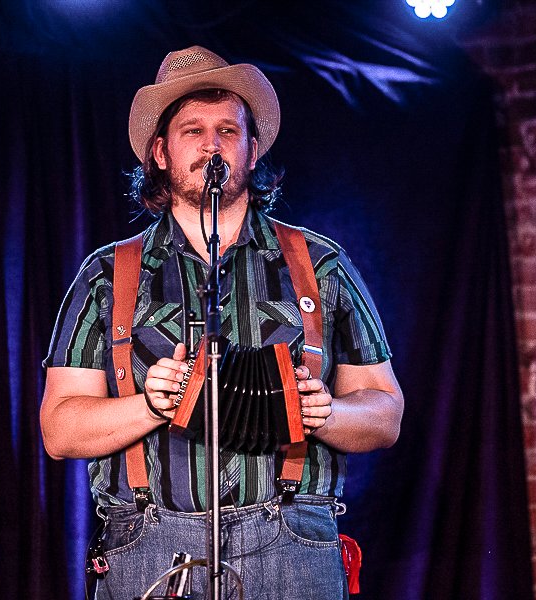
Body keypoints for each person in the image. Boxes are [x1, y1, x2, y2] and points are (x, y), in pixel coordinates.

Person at [40, 46, 404, 600]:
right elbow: (59, 430)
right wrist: (149, 406)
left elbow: (386, 413)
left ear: (252, 150)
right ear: (160, 151)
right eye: (193, 130)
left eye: (228, 131)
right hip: (150, 543)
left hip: (293, 542)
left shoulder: (319, 264)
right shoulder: (107, 276)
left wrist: (327, 413)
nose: (212, 144)